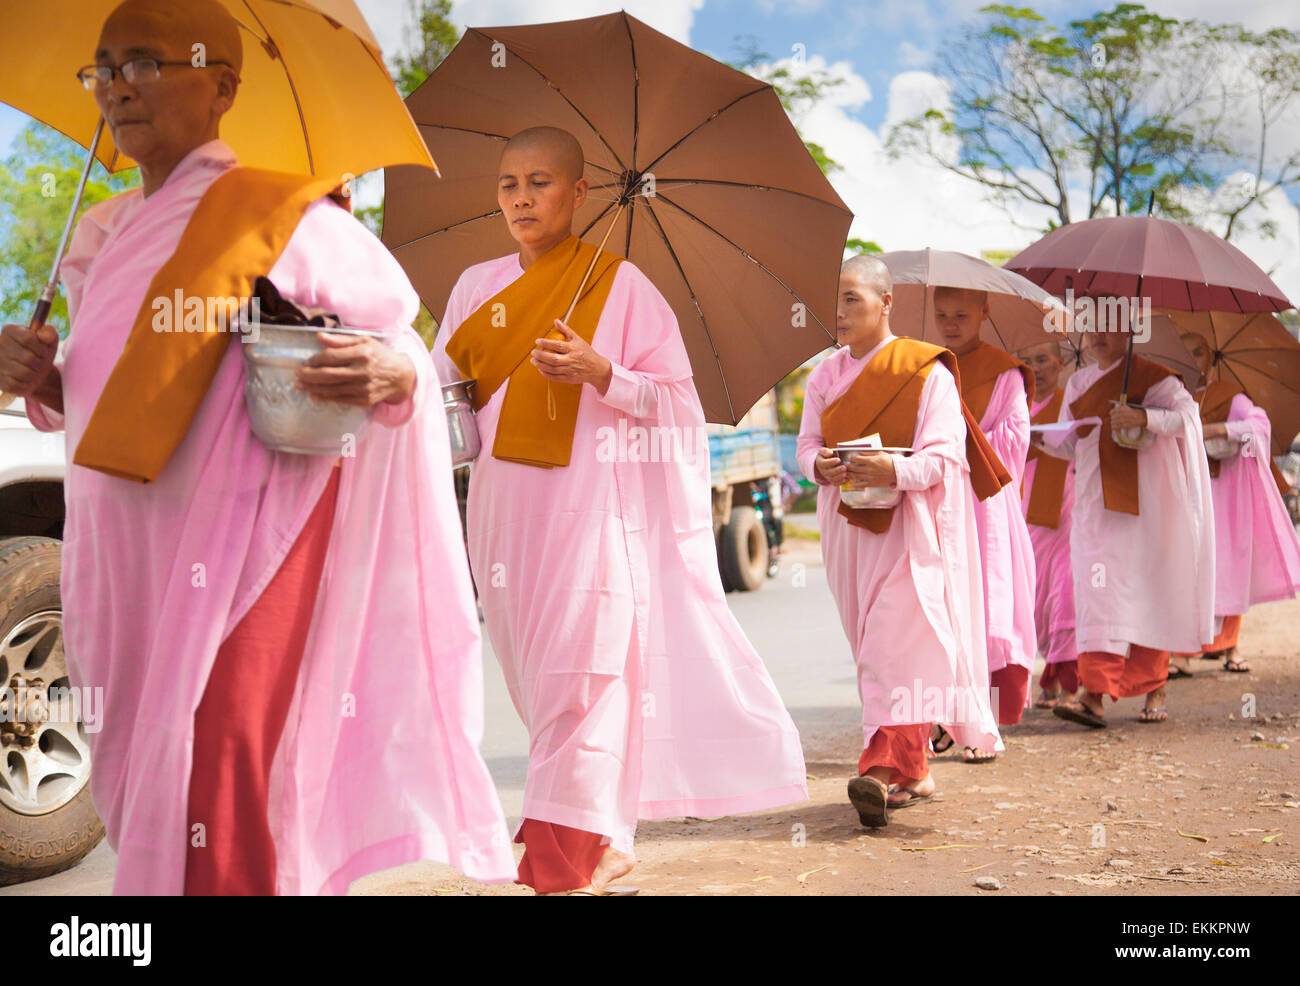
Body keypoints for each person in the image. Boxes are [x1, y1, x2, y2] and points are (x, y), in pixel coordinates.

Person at [0, 0, 514, 894]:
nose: (119, 88)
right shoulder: (105, 234)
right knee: (147, 766)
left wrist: (394, 376)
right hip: (122, 557)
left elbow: (397, 345)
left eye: (146, 63)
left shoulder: (281, 214)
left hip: (248, 542)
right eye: (105, 69)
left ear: (222, 84)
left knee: (225, 762)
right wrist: (40, 375)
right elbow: (110, 385)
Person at [433, 126, 807, 895]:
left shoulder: (623, 286)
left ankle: (560, 859)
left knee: (586, 673)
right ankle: (594, 831)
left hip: (592, 514)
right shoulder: (475, 285)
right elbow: (442, 390)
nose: (522, 197)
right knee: (537, 681)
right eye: (508, 184)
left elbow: (679, 408)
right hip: (501, 515)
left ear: (580, 193)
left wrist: (604, 373)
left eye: (541, 181)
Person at [797, 255, 1002, 827]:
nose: (838, 312)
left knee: (895, 644)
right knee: (874, 649)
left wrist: (890, 469)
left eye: (851, 298)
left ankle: (881, 769)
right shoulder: (824, 376)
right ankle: (915, 769)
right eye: (833, 301)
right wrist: (824, 466)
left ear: (886, 302)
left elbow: (943, 458)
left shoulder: (927, 372)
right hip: (847, 529)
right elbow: (807, 447)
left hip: (911, 531)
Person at [1035, 324, 1214, 727]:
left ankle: (1155, 684)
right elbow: (1071, 443)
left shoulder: (1154, 378)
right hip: (1094, 508)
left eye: (1109, 326)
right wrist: (1042, 440)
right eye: (1091, 327)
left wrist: (1144, 415)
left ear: (1130, 331)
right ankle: (1093, 694)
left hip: (1146, 509)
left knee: (1147, 592)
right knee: (1098, 597)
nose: (1098, 335)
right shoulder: (1079, 382)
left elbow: (1188, 418)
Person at [931, 287, 1037, 761]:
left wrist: (959, 435)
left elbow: (1015, 440)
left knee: (988, 610)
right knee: (943, 610)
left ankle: (984, 725)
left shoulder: (1004, 370)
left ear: (983, 313)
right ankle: (945, 719)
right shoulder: (931, 366)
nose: (951, 324)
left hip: (987, 502)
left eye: (961, 314)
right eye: (942, 315)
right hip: (943, 504)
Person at [1170, 332, 1300, 676]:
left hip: (1226, 495)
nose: (1191, 361)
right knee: (1190, 570)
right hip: (1188, 494)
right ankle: (1181, 654)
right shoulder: (1174, 395)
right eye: (1185, 355)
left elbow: (1258, 428)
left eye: (1197, 354)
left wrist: (1216, 430)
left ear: (1210, 359)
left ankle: (1230, 647)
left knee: (1229, 568)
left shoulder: (1231, 396)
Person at [1018, 340, 1078, 708]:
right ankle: (1049, 672)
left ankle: (1069, 680)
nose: (1036, 368)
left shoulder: (1070, 403)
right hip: (1022, 508)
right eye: (1027, 360)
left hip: (1066, 507)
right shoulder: (1012, 405)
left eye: (1042, 359)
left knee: (1065, 596)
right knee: (1035, 598)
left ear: (1059, 363)